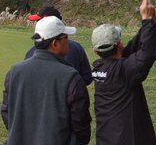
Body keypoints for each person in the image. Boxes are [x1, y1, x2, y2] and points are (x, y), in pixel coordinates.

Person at [2, 16, 91, 144]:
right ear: (55, 43)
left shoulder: (13, 72)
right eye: (65, 37)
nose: (68, 41)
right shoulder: (71, 77)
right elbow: (81, 125)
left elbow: (6, 112)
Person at [91, 0, 156, 145]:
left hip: (107, 139)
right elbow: (146, 54)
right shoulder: (122, 70)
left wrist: (151, 24)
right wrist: (146, 21)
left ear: (95, 52)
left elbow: (129, 50)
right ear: (119, 44)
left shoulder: (100, 68)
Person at [25, 5, 92, 85]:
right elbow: (86, 78)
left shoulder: (30, 52)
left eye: (39, 21)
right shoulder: (77, 47)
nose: (37, 24)